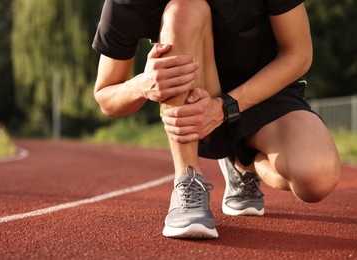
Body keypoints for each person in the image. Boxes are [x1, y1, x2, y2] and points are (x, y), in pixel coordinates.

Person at [92, 0, 341, 239]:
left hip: (265, 91)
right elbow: (105, 95)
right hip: (195, 106)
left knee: (317, 178)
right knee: (185, 9)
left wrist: (225, 107)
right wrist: (141, 85)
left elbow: (299, 54)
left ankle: (243, 163)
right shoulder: (129, 2)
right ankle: (188, 180)